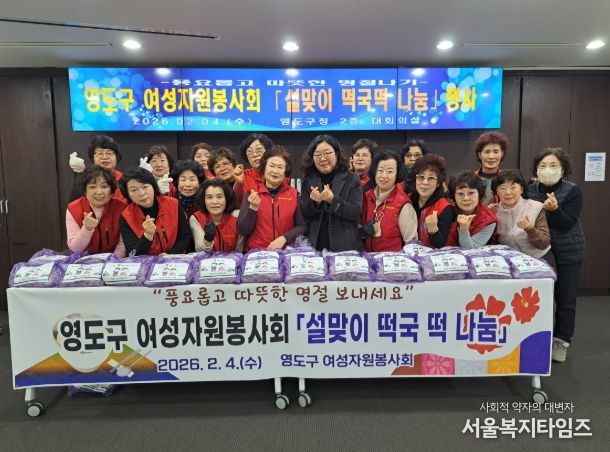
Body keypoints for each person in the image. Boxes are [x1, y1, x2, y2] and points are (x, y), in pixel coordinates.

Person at [527, 148, 586, 363]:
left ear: (563, 170)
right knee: (537, 297)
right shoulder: (530, 189)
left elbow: (567, 223)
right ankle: (536, 338)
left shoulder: (573, 191)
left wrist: (555, 209)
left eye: (553, 166)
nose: (547, 170)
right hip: (539, 250)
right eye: (543, 166)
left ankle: (561, 341)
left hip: (569, 250)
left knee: (565, 297)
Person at [299, 135, 363, 252]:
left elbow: (355, 212)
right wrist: (315, 203)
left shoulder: (351, 178)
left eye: (327, 153)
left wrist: (333, 201)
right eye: (317, 155)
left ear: (337, 154)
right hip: (316, 246)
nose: (322, 158)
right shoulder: (308, 179)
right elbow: (304, 213)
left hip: (344, 247)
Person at [237, 146, 306, 251]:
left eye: (280, 167)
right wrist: (253, 209)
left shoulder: (294, 195)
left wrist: (284, 238)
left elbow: (302, 226)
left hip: (285, 253)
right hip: (256, 254)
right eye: (271, 166)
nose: (275, 171)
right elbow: (242, 230)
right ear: (264, 168)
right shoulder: (252, 194)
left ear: (285, 171)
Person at [119, 167, 191, 256]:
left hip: (174, 258)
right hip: (146, 262)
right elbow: (133, 254)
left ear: (153, 186)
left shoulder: (173, 204)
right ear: (127, 194)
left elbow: (185, 236)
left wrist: (170, 254)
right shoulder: (126, 216)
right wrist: (147, 236)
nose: (142, 193)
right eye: (134, 190)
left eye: (145, 187)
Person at [360, 150, 417, 251]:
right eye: (380, 170)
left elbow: (411, 243)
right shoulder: (366, 196)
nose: (384, 176)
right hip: (367, 258)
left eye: (390, 171)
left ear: (397, 174)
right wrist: (363, 231)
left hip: (393, 259)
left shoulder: (403, 204)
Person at [66, 166, 127, 257]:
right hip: (84, 260)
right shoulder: (73, 208)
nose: (99, 192)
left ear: (112, 191)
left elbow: (123, 244)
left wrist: (113, 260)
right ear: (85, 191)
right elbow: (75, 248)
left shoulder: (122, 207)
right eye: (92, 187)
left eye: (104, 186)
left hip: (115, 260)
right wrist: (87, 229)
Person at [491, 169, 551, 260]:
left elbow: (544, 243)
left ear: (521, 189)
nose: (508, 192)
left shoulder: (536, 207)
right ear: (497, 192)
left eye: (513, 187)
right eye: (502, 188)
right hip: (509, 259)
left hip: (538, 258)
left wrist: (530, 229)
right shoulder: (493, 210)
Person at [408, 154, 455, 248]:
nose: (425, 182)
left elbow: (440, 244)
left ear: (438, 183)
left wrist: (433, 229)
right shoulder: (408, 201)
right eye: (421, 177)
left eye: (431, 178)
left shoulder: (445, 207)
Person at [446, 171, 497, 249]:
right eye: (460, 194)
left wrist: (463, 228)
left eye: (471, 193)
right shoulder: (445, 211)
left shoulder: (489, 219)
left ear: (479, 194)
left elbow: (470, 248)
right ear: (454, 196)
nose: (466, 198)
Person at [68, 134, 126, 202]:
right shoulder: (86, 178)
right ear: (93, 158)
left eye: (109, 153)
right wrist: (77, 172)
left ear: (117, 158)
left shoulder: (124, 179)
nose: (104, 157)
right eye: (100, 153)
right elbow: (75, 203)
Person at [191, 179, 239, 252]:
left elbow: (240, 250)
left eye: (219, 197)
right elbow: (199, 250)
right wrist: (207, 239)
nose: (214, 202)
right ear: (203, 200)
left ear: (227, 198)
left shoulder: (236, 217)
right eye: (209, 197)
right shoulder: (196, 218)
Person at [474, 131, 509, 204]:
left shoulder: (509, 179)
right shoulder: (471, 179)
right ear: (480, 154)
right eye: (487, 152)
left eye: (496, 152)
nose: (491, 157)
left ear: (502, 154)